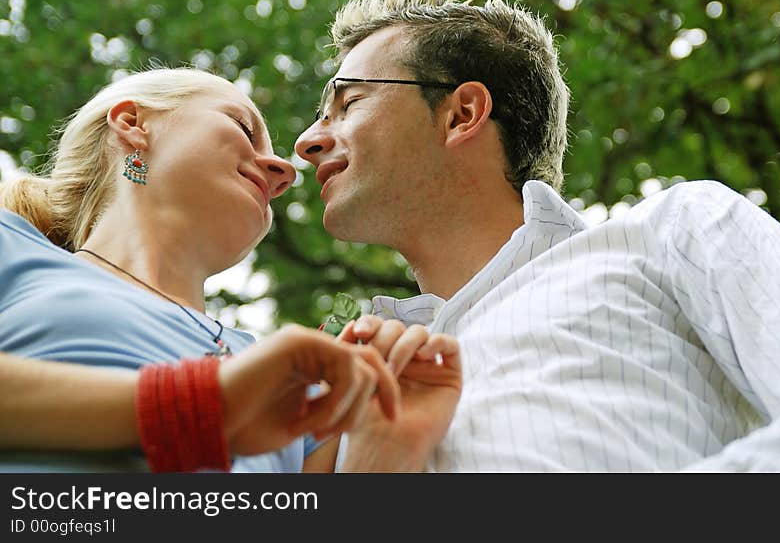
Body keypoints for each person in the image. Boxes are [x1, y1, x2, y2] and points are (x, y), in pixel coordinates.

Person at [293, 0, 780, 471]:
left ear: (461, 113)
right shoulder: (356, 401)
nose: (307, 141)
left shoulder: (672, 233)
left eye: (350, 103)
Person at [0, 67, 460, 472]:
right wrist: (202, 406)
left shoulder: (292, 390)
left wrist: (384, 443)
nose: (283, 170)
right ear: (133, 124)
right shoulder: (11, 246)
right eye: (242, 126)